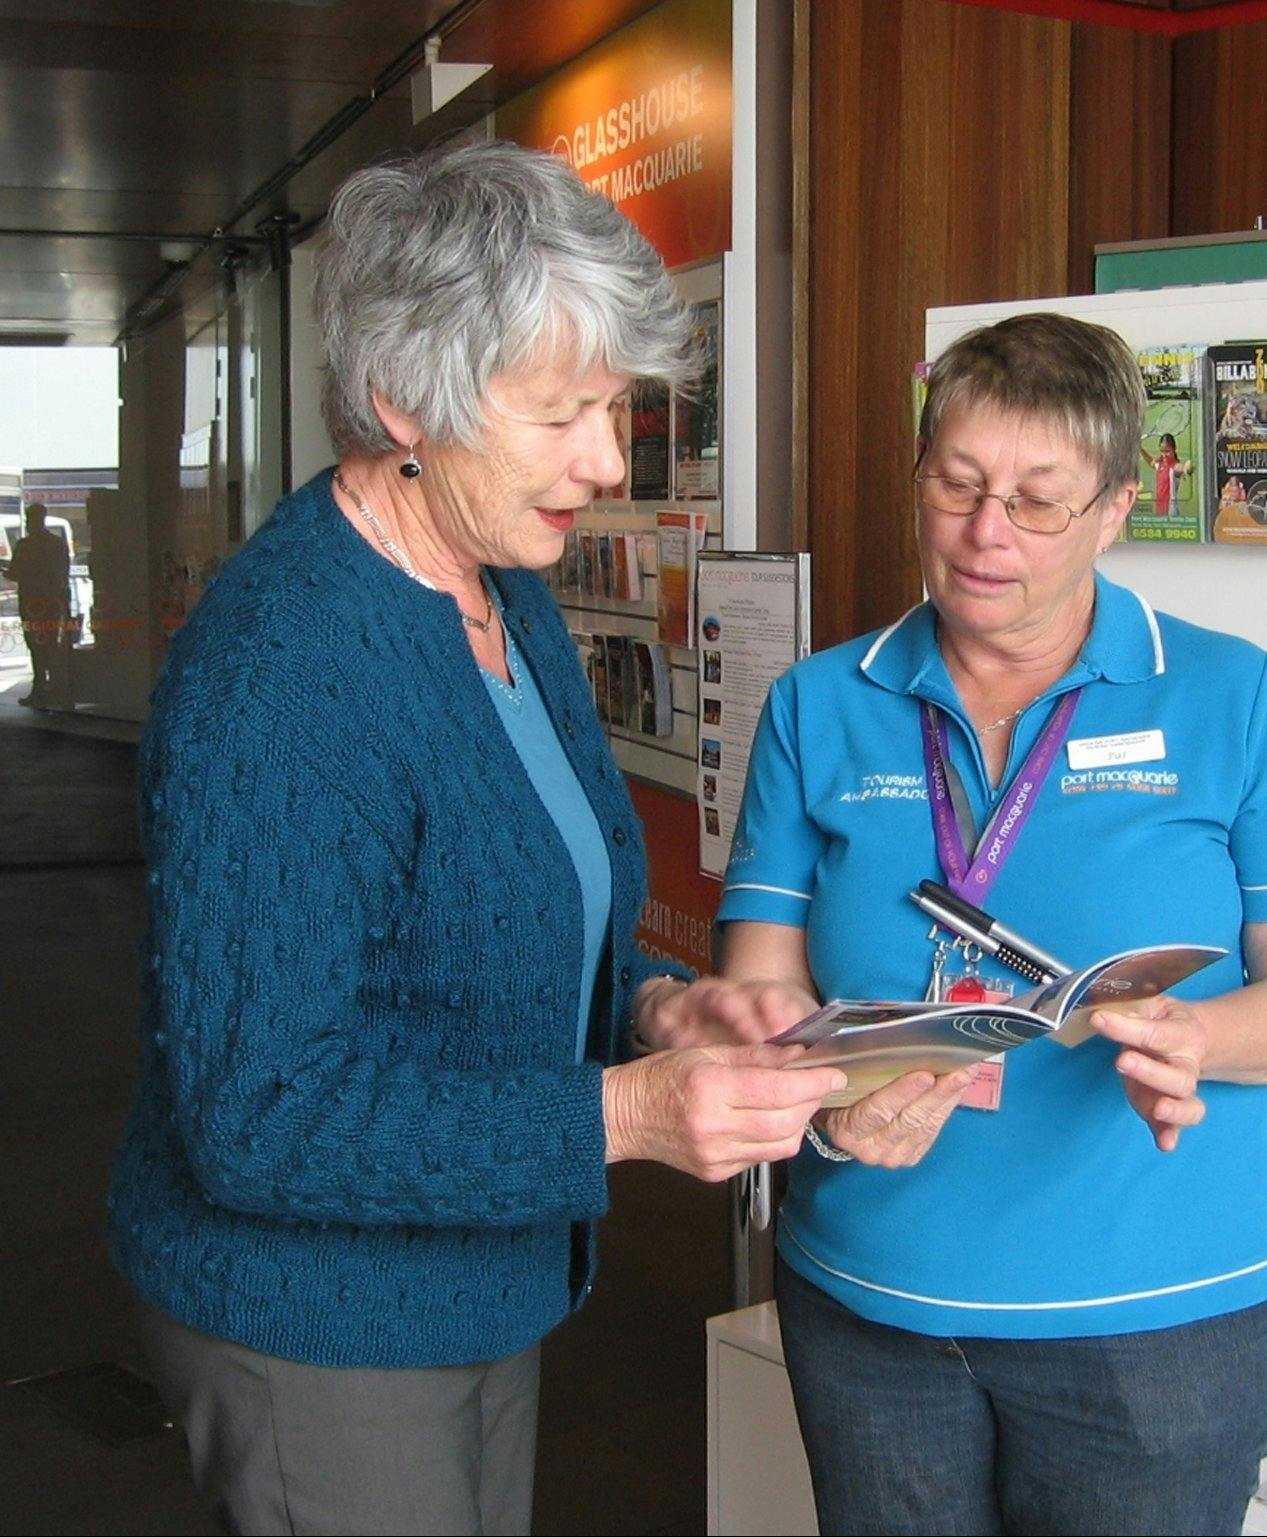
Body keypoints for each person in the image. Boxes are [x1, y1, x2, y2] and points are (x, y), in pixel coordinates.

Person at [106, 140, 843, 1537]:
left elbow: (528, 919)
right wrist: (624, 1113)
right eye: (562, 410)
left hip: (474, 1275)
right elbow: (259, 1114)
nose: (607, 458)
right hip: (317, 1321)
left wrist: (658, 1007)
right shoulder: (283, 673)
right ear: (403, 402)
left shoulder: (503, 588)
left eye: (615, 405)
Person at [717, 312, 1267, 1535]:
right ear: (916, 478)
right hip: (874, 1308)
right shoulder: (820, 704)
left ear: (1117, 507)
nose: (984, 534)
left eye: (1036, 500)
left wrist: (1198, 1039)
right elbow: (754, 994)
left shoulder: (1229, 695)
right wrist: (824, 1100)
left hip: (1155, 1323)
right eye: (956, 485)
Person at [3, 502, 74, 703]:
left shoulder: (24, 546)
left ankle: (40, 687)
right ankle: (57, 686)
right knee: (52, 642)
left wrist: (5, 570)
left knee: (35, 643)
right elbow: (64, 571)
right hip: (53, 602)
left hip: (31, 603)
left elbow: (15, 573)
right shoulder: (57, 543)